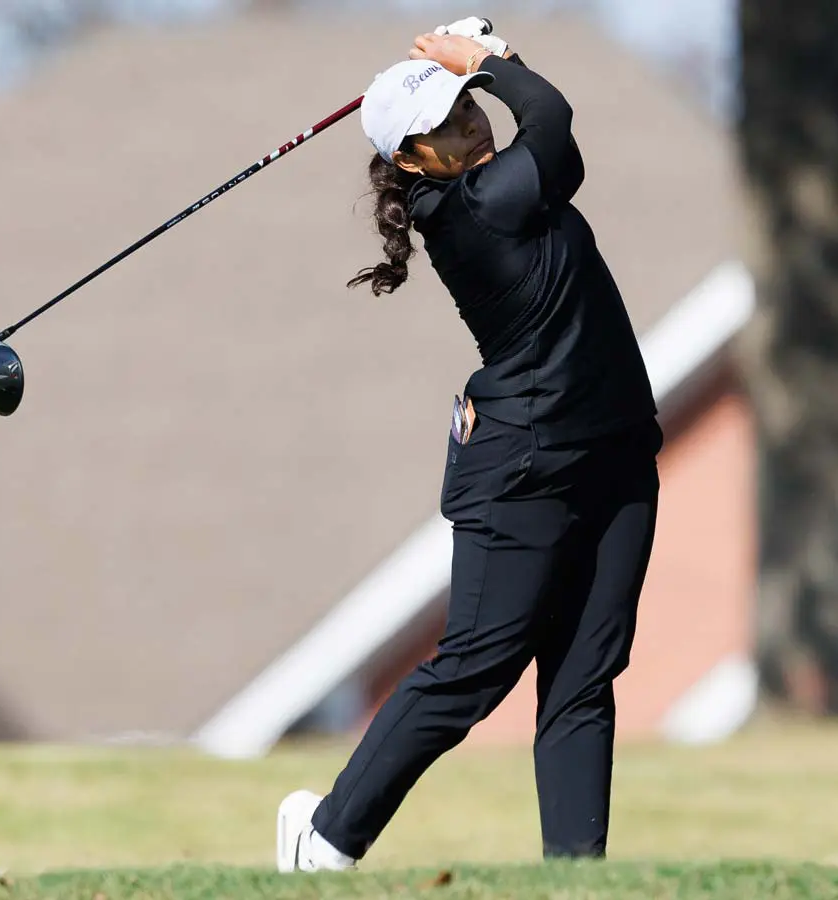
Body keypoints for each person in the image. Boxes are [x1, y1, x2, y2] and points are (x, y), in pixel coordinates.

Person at [276, 17, 663, 872]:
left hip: (613, 453)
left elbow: (544, 137)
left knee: (583, 675)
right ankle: (327, 839)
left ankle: (576, 876)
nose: (470, 125)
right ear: (413, 161)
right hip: (522, 468)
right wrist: (489, 63)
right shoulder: (478, 206)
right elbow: (554, 122)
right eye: (447, 124)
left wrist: (469, 68)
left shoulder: (496, 183)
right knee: (475, 669)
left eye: (466, 109)